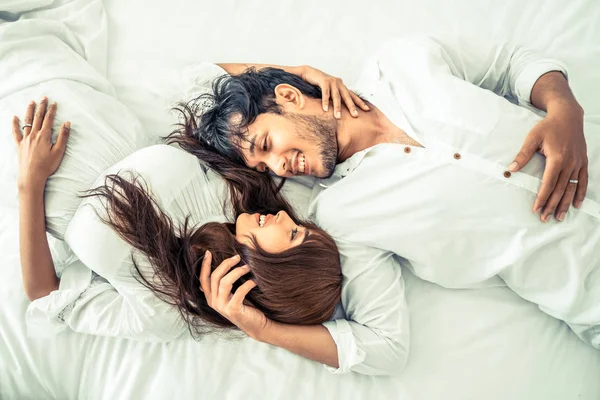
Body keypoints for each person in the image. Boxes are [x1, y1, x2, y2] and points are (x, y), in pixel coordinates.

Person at [179, 36, 600, 374]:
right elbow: (383, 346)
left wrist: (564, 107)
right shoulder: (342, 215)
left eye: (268, 145)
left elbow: (511, 60)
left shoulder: (400, 62)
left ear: (288, 96)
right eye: (265, 165)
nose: (280, 167)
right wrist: (265, 331)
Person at [12, 98, 342, 342]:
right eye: (299, 224)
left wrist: (30, 182)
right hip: (82, 102)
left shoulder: (168, 311)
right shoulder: (245, 189)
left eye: (295, 234)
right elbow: (247, 99)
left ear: (276, 275)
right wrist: (307, 76)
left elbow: (45, 293)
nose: (285, 217)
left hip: (21, 152)